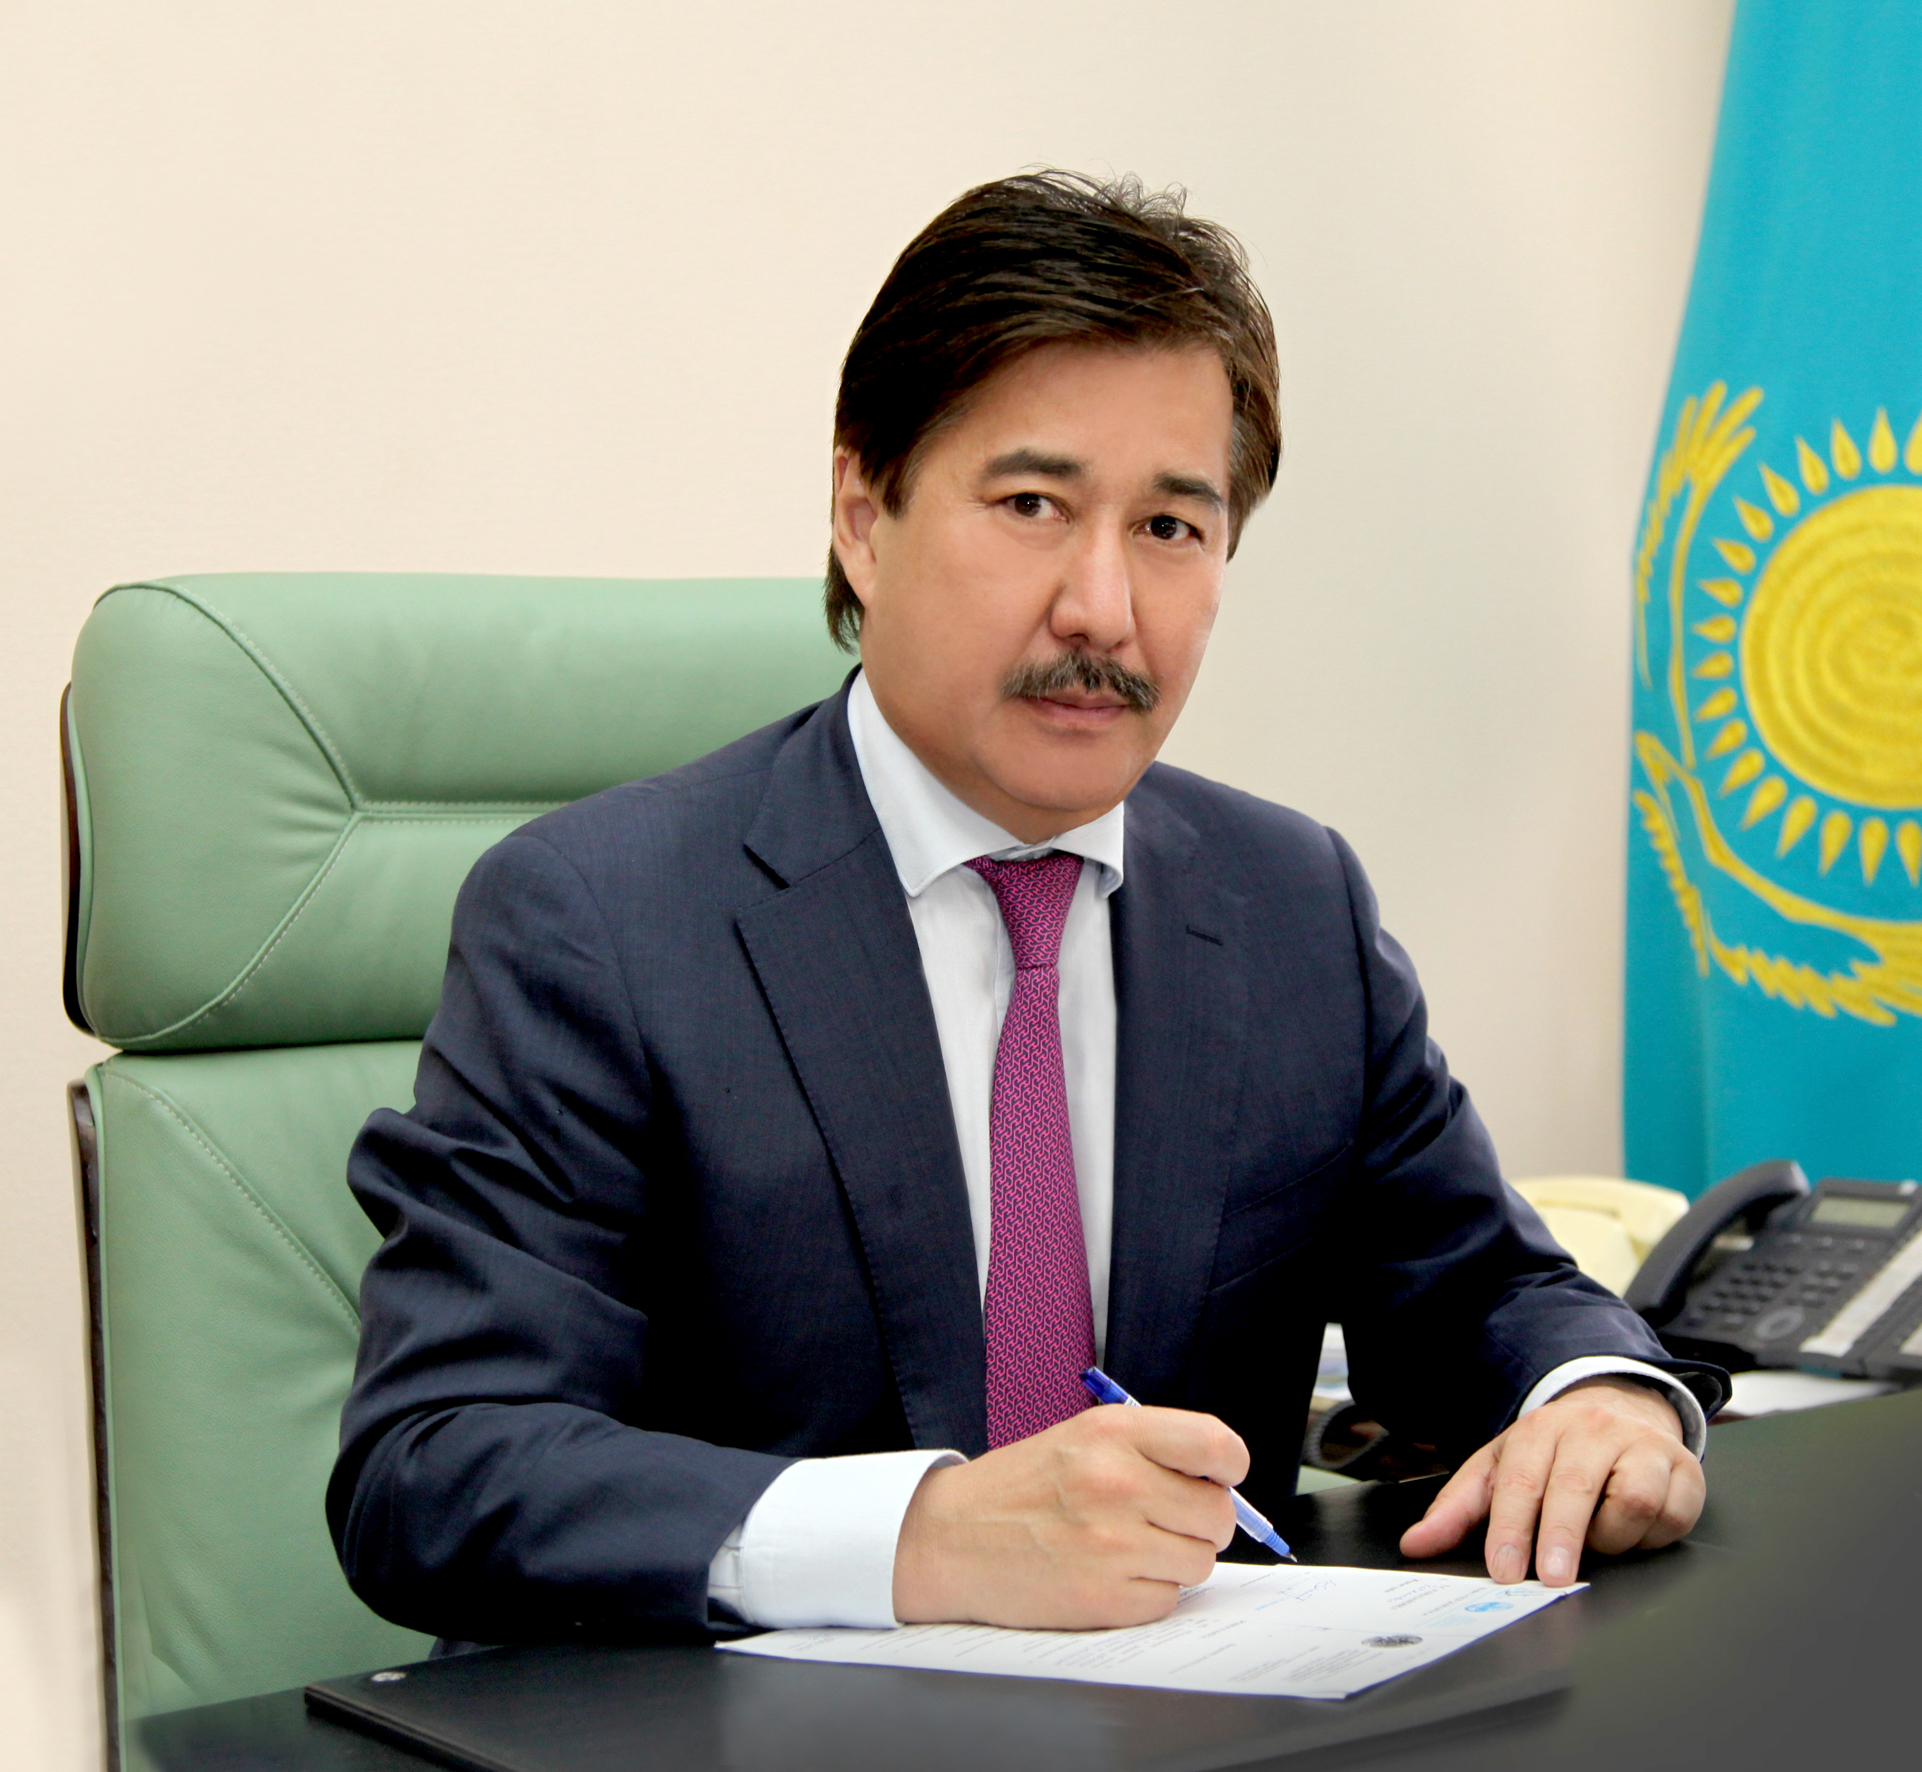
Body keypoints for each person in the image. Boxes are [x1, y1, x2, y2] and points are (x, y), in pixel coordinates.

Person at [330, 171, 1725, 1645]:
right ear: (863, 518)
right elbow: (438, 1466)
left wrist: (1601, 1396)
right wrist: (921, 1539)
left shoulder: (1289, 905)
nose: (1103, 609)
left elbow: (1478, 1289)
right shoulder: (597, 922)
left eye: (1171, 527)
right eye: (1033, 506)